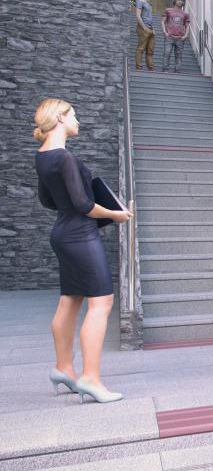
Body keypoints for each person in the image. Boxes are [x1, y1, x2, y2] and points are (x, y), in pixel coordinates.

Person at [34, 98, 132, 403]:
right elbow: (84, 205)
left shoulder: (42, 157)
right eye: (74, 115)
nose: (79, 121)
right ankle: (90, 378)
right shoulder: (64, 159)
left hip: (62, 233)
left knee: (70, 301)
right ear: (60, 119)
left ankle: (64, 368)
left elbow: (47, 202)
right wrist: (117, 215)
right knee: (101, 303)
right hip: (80, 235)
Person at [161, 0, 190, 72]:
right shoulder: (168, 10)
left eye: (181, 0)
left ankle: (177, 70)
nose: (180, 1)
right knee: (167, 53)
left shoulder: (185, 14)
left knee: (179, 55)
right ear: (175, 1)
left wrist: (186, 35)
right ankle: (165, 69)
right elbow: (163, 21)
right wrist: (165, 32)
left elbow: (187, 26)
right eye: (178, 0)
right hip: (170, 36)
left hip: (180, 38)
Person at [134, 0, 156, 70]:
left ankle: (151, 69)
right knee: (140, 49)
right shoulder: (140, 2)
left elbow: (149, 17)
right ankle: (138, 68)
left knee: (150, 51)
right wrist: (144, 27)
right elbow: (138, 15)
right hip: (143, 29)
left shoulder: (149, 4)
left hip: (150, 29)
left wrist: (153, 29)